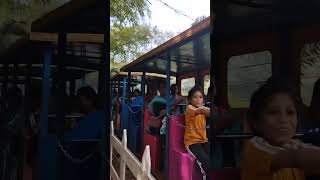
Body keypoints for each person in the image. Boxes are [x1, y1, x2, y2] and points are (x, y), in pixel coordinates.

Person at [241, 77, 320, 180]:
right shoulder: (255, 147)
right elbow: (295, 157)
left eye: (290, 112)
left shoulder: (294, 144)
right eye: (273, 112)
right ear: (256, 122)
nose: (283, 120)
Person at [184, 86, 211, 179]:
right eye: (195, 97)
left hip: (204, 140)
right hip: (192, 142)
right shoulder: (190, 108)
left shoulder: (203, 109)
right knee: (205, 161)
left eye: (200, 97)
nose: (198, 99)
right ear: (190, 100)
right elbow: (200, 110)